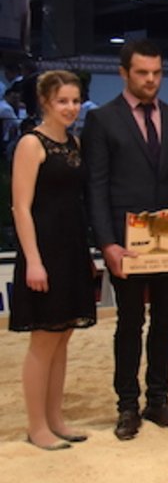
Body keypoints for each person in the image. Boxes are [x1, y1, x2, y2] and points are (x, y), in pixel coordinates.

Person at [85, 40, 168, 440]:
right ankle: (126, 405)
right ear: (124, 73)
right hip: (127, 246)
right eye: (142, 73)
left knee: (167, 321)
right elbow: (96, 187)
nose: (151, 80)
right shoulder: (102, 121)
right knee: (130, 323)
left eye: (156, 73)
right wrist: (107, 243)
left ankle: (158, 399)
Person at [9, 71, 98, 450]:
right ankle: (36, 425)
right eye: (63, 101)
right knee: (44, 339)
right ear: (45, 102)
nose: (71, 108)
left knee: (63, 335)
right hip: (43, 250)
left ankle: (55, 416)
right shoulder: (31, 144)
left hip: (72, 247)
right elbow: (21, 207)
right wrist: (33, 259)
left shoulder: (75, 143)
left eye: (75, 101)